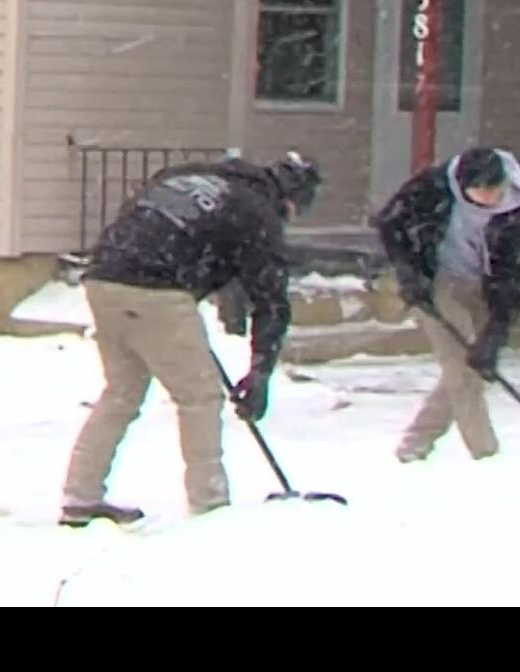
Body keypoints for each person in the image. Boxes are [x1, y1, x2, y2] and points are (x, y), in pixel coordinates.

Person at [59, 152, 324, 527]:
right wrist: (260, 373)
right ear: (291, 200)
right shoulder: (256, 213)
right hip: (157, 285)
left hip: (104, 275)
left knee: (121, 392)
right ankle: (210, 507)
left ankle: (80, 496)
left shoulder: (194, 175)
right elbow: (270, 301)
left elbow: (160, 221)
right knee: (200, 397)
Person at [373, 146, 520, 462]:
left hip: (484, 285)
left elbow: (515, 274)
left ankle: (415, 444)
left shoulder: (518, 208)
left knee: (472, 365)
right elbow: (390, 224)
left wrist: (495, 336)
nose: (491, 199)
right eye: (481, 192)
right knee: (462, 368)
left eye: (496, 191)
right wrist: (411, 275)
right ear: (462, 187)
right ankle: (487, 455)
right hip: (437, 283)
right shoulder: (434, 187)